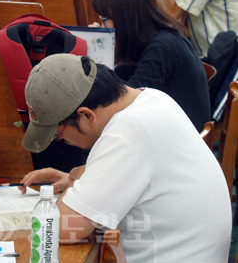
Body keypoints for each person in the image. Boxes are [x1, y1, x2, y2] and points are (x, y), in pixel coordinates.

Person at [18, 53, 231, 262]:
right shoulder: (151, 99)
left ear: (86, 115)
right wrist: (80, 179)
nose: (61, 141)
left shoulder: (128, 133)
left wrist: (79, 181)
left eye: (57, 133)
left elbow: (60, 229)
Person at [90, 0, 211, 131]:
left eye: (104, 19)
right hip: (174, 131)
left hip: (178, 141)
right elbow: (122, 77)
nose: (102, 25)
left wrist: (98, 50)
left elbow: (123, 104)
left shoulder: (162, 47)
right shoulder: (159, 39)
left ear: (123, 19)